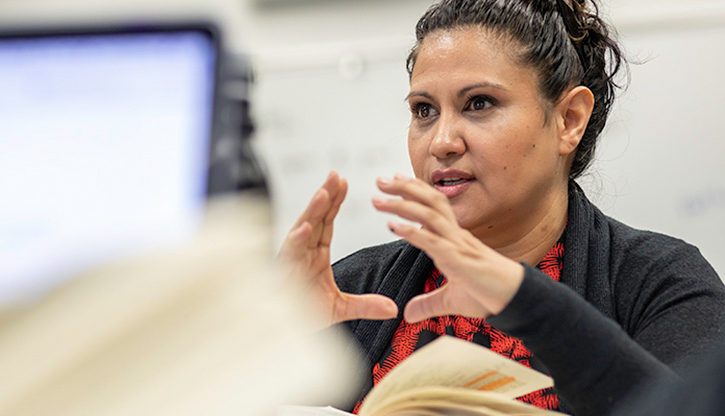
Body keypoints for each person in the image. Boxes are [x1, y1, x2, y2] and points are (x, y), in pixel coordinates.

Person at [277, 0, 725, 415]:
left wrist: (527, 302)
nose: (442, 142)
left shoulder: (661, 280)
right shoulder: (355, 290)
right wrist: (266, 335)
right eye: (424, 111)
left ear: (569, 120)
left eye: (479, 104)